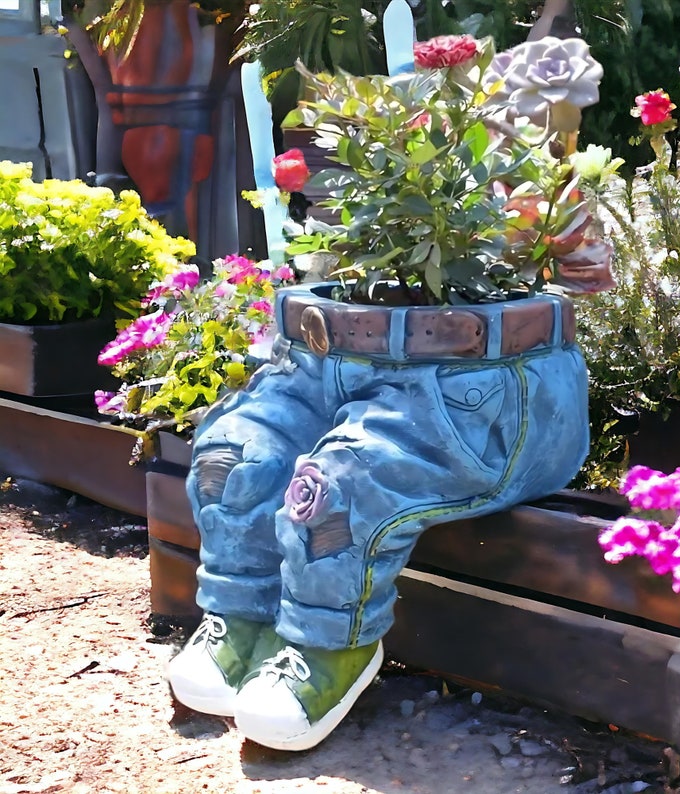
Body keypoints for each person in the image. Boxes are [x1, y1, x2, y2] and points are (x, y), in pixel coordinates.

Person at [167, 284, 589, 751]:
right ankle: (241, 611)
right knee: (235, 456)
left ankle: (327, 642)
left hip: (462, 382)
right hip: (315, 362)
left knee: (340, 485)